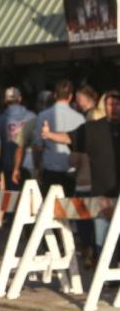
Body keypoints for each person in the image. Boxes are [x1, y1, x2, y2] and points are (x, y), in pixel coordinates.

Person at [42, 90, 120, 265]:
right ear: (103, 106)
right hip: (102, 197)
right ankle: (107, 281)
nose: (114, 108)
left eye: (117, 104)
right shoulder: (94, 128)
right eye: (110, 104)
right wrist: (50, 135)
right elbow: (70, 138)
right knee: (103, 243)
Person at [32, 80, 84, 194]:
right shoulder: (79, 118)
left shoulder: (43, 116)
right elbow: (82, 148)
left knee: (49, 207)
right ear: (70, 97)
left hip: (50, 168)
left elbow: (38, 146)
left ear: (55, 95)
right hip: (71, 170)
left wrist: (37, 167)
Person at [0, 87, 35, 188]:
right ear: (20, 99)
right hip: (28, 163)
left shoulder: (1, 119)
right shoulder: (32, 117)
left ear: (6, 100)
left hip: (8, 164)